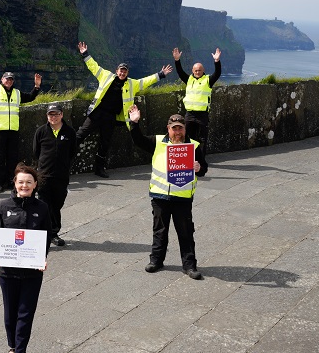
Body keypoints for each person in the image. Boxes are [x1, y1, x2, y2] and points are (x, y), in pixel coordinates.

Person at [128, 105, 207, 279]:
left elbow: (203, 170)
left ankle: (189, 266)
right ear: (168, 129)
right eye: (174, 129)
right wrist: (134, 123)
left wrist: (198, 167)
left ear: (185, 129)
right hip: (160, 196)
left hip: (182, 197)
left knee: (185, 232)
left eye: (180, 128)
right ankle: (156, 260)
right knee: (159, 231)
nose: (177, 132)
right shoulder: (157, 142)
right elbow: (138, 141)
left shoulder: (194, 146)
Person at [0, 163, 52, 353]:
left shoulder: (42, 208)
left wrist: (43, 258)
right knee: (10, 313)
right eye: (20, 181)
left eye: (28, 182)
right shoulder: (3, 206)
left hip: (32, 271)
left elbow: (46, 235)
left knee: (26, 313)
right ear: (15, 184)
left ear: (35, 185)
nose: (24, 185)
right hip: (7, 270)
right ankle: (12, 347)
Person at [76, 41, 173, 178]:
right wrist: (85, 54)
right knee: (80, 134)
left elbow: (146, 81)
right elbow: (94, 67)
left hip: (111, 117)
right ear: (116, 71)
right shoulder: (105, 75)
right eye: (120, 70)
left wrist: (161, 74)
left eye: (125, 71)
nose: (122, 72)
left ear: (127, 73)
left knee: (105, 142)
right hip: (97, 113)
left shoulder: (132, 84)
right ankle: (64, 157)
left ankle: (99, 168)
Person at [0, 68, 42, 192]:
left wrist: (37, 86)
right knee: (0, 158)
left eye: (11, 79)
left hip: (12, 130)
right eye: (7, 79)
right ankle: (0, 183)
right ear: (2, 80)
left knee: (13, 158)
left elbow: (30, 97)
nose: (9, 81)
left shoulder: (17, 93)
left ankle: (12, 182)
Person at [32, 103, 77, 247]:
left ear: (62, 114)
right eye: (51, 114)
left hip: (61, 175)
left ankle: (52, 231)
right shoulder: (41, 131)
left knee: (57, 204)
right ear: (47, 116)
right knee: (44, 205)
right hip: (44, 175)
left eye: (56, 114)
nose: (54, 117)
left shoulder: (69, 132)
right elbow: (36, 152)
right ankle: (49, 234)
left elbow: (73, 152)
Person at [173, 47, 222, 176]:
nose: (197, 72)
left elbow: (217, 74)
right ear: (192, 71)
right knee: (188, 138)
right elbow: (179, 72)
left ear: (203, 71)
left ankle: (201, 163)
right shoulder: (189, 79)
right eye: (195, 70)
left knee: (202, 140)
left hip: (202, 115)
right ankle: (188, 161)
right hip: (189, 114)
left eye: (199, 70)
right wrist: (177, 60)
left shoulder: (208, 81)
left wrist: (217, 61)